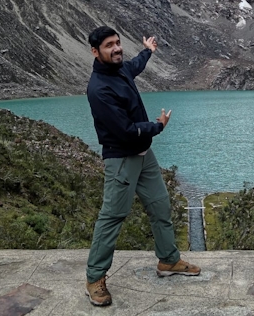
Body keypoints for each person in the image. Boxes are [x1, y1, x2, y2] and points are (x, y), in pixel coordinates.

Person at [84, 26, 200, 307]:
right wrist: (157, 127)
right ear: (95, 51)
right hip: (122, 158)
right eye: (109, 45)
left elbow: (134, 65)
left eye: (118, 43)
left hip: (144, 155)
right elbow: (124, 130)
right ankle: (94, 278)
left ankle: (168, 260)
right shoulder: (98, 90)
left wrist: (148, 50)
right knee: (112, 216)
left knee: (160, 205)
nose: (116, 48)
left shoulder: (121, 69)